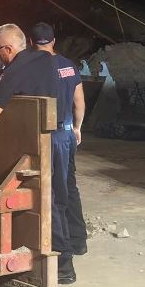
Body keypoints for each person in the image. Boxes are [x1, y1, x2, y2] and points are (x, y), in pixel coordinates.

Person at [0, 24, 74, 283]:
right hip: (61, 137)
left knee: (48, 201)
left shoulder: (14, 71)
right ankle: (67, 258)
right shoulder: (46, 59)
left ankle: (63, 267)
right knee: (60, 198)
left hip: (42, 140)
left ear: (7, 49)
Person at [31, 23, 88, 257]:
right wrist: (77, 128)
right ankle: (79, 241)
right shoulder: (69, 66)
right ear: (54, 41)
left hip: (51, 136)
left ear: (31, 42)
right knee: (70, 188)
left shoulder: (34, 68)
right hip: (67, 133)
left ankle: (63, 254)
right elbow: (80, 103)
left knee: (56, 194)